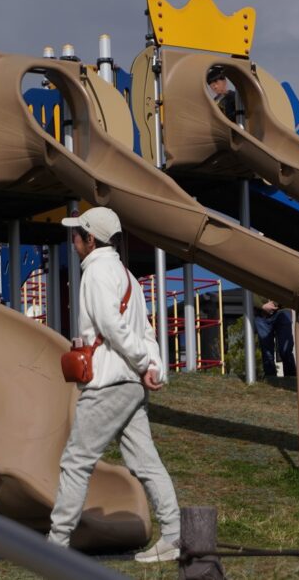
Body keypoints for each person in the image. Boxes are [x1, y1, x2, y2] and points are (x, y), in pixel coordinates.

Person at [48, 207, 181, 563]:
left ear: (91, 239)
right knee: (145, 461)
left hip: (109, 382)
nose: (73, 240)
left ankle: (55, 546)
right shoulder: (128, 277)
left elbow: (111, 326)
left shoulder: (95, 272)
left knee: (76, 461)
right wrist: (152, 366)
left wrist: (142, 362)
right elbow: (145, 331)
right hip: (131, 383)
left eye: (77, 234)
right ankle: (174, 536)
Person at [253, 295, 297, 378]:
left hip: (282, 309)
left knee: (286, 349)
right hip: (260, 314)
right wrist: (261, 305)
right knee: (267, 353)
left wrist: (274, 303)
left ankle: (291, 380)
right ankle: (271, 380)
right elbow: (248, 291)